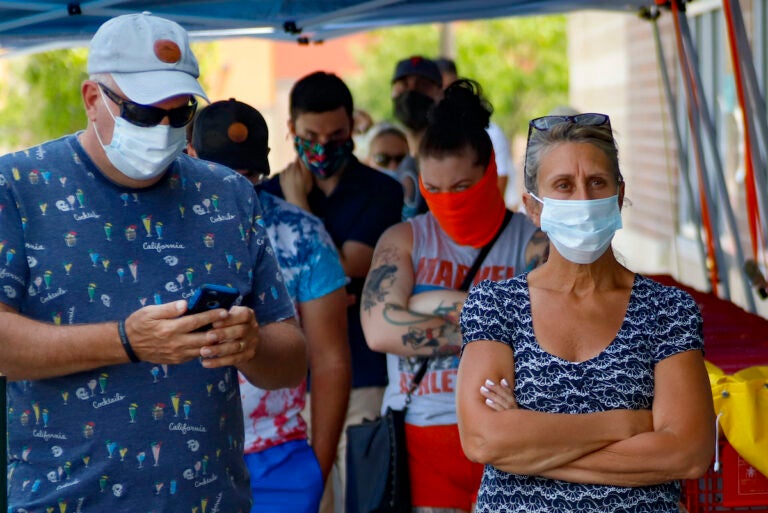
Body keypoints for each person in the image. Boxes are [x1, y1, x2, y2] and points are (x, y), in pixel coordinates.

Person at [0, 13, 306, 513]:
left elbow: (291, 359)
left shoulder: (228, 193)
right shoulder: (17, 187)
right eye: (144, 113)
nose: (164, 129)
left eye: (181, 112)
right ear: (92, 98)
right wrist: (125, 341)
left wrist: (250, 346)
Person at [456, 112, 716, 512]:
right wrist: (626, 423)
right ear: (533, 206)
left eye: (597, 182)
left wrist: (529, 449)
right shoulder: (496, 305)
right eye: (563, 185)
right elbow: (483, 440)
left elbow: (688, 454)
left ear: (618, 193)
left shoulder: (667, 310)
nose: (583, 198)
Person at [360, 79, 548, 513]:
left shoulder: (534, 241)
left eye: (461, 188)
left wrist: (423, 304)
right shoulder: (404, 239)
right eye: (434, 189)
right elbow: (379, 329)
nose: (447, 202)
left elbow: (551, 330)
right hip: (422, 441)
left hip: (513, 438)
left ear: (491, 176)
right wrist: (497, 332)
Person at [188, 98, 351, 513]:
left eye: (248, 176)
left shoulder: (301, 234)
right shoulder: (159, 229)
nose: (235, 187)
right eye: (220, 174)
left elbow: (330, 359)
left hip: (278, 453)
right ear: (190, 157)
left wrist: (318, 465)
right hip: (183, 451)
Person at [260, 71, 404, 513]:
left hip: (364, 376)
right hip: (286, 389)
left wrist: (298, 208)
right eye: (310, 135)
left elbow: (349, 266)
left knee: (362, 499)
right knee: (311, 500)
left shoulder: (381, 190)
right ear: (291, 130)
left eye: (336, 134)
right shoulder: (263, 195)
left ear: (353, 129)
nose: (323, 146)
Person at [434, 57, 518, 209]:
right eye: (441, 89)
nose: (446, 95)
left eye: (452, 87)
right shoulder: (431, 135)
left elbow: (501, 181)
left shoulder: (491, 133)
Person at [390, 55, 444, 219]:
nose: (411, 92)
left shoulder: (448, 158)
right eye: (403, 84)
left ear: (439, 94)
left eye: (423, 85)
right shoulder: (392, 152)